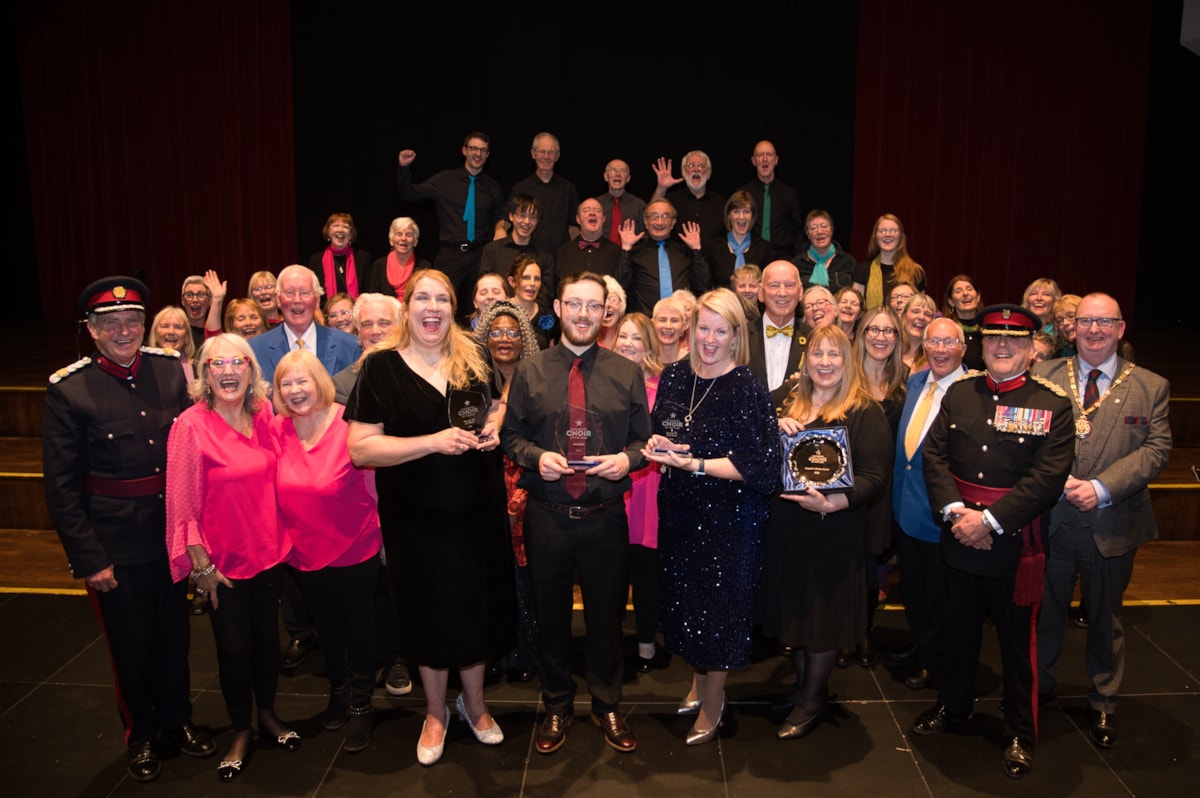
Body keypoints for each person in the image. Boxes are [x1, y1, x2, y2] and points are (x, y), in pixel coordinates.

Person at [43, 276, 214, 783]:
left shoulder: (169, 371)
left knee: (174, 636)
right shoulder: (69, 390)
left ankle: (177, 721)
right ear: (92, 331)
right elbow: (62, 487)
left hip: (169, 536)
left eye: (132, 320)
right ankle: (140, 734)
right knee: (129, 645)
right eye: (110, 322)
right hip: (115, 544)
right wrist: (89, 558)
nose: (124, 330)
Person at [346, 269, 514, 767]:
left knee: (476, 609)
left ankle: (477, 706)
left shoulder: (475, 357)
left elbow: (497, 405)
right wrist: (431, 442)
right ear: (408, 305)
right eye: (424, 297)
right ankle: (436, 712)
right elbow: (360, 448)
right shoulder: (380, 368)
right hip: (416, 521)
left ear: (453, 306)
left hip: (478, 514)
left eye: (443, 297)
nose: (433, 307)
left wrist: (493, 429)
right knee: (428, 614)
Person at [911, 304, 1074, 780]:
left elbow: (1047, 479)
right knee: (957, 632)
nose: (1003, 347)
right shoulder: (961, 393)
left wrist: (990, 522)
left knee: (1016, 647)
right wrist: (956, 514)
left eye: (1014, 341)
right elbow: (935, 457)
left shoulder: (1051, 404)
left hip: (1013, 544)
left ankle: (1019, 731)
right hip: (959, 533)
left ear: (1030, 348)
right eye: (994, 339)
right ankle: (953, 706)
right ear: (981, 345)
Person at [501, 272, 651, 755]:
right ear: (559, 308)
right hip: (547, 517)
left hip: (606, 517)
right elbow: (510, 436)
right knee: (552, 619)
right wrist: (533, 457)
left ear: (604, 311)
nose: (584, 314)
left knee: (607, 619)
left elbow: (643, 442)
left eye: (594, 306)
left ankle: (607, 702)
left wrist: (628, 460)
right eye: (575, 304)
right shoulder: (530, 370)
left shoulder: (626, 372)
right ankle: (558, 704)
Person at [1034, 293, 1171, 750]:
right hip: (1051, 518)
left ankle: (1104, 701)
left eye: (1104, 322)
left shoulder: (1151, 386)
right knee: (1044, 613)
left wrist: (1101, 488)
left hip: (1113, 521)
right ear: (1072, 327)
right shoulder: (1045, 375)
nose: (1094, 330)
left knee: (1105, 619)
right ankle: (1040, 689)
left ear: (1121, 327)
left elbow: (1156, 451)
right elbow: (1027, 434)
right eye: (1085, 321)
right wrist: (1056, 481)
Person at [643, 289, 780, 745]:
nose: (710, 338)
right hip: (680, 508)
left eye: (721, 331)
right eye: (704, 327)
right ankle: (698, 682)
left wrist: (695, 463)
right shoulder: (675, 375)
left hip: (730, 516)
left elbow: (758, 463)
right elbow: (665, 427)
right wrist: (662, 449)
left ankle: (716, 700)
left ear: (736, 335)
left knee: (719, 612)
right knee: (685, 603)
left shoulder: (746, 385)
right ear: (691, 327)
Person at [166, 334, 297, 782]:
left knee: (266, 642)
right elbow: (182, 505)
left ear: (251, 370)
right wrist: (201, 567)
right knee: (233, 648)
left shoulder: (264, 416)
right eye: (215, 363)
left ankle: (268, 715)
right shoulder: (190, 425)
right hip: (221, 565)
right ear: (204, 373)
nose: (227, 371)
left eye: (237, 361)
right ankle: (241, 727)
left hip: (269, 553)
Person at [760, 325, 892, 740]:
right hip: (787, 528)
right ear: (806, 359)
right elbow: (754, 454)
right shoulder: (782, 401)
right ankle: (802, 689)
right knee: (797, 614)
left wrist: (837, 502)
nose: (825, 363)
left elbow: (875, 476)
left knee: (824, 618)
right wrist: (771, 431)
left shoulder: (865, 410)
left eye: (835, 355)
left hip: (833, 528)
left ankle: (812, 701)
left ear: (847, 360)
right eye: (818, 354)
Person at [272, 350, 382, 753]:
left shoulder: (348, 425)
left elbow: (375, 486)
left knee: (358, 627)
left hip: (355, 544)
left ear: (320, 382)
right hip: (304, 550)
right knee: (327, 628)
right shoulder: (277, 429)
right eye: (287, 383)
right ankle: (337, 691)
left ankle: (361, 703)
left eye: (303, 381)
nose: (296, 390)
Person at [328, 292, 412, 698]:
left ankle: (405, 654)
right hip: (362, 500)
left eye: (384, 323)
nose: (376, 331)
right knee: (373, 587)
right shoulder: (342, 384)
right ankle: (381, 658)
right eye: (367, 325)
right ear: (356, 332)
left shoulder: (416, 373)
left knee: (407, 582)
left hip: (414, 495)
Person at [892, 318, 969, 691]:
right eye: (933, 342)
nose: (940, 349)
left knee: (941, 595)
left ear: (963, 348)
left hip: (942, 514)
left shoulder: (973, 392)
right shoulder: (915, 382)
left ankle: (934, 659)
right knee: (915, 589)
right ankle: (922, 642)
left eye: (948, 342)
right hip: (906, 509)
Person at [475, 300, 542, 683]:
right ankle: (497, 651)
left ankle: (527, 652)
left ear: (524, 338)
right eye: (496, 331)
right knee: (492, 570)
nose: (504, 338)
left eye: (513, 332)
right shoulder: (471, 378)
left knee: (528, 573)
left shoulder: (536, 377)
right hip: (484, 487)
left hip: (530, 486)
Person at [846, 306, 910, 667]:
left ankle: (865, 632)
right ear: (861, 334)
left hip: (885, 492)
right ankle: (843, 633)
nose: (881, 337)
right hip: (848, 484)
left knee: (871, 564)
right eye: (873, 329)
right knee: (844, 563)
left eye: (889, 331)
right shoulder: (843, 378)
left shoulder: (906, 385)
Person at [396, 132, 505, 320]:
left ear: (487, 155)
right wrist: (404, 168)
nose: (478, 154)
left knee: (482, 310)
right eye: (473, 149)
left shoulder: (493, 188)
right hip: (450, 255)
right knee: (442, 305)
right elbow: (409, 193)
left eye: (483, 150)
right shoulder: (445, 180)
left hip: (479, 256)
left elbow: (498, 220)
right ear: (464, 151)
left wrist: (500, 229)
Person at [613, 312, 665, 675]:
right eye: (623, 337)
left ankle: (647, 642)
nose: (629, 344)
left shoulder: (664, 388)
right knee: (611, 575)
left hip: (649, 488)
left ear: (648, 344)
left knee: (646, 573)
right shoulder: (601, 381)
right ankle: (609, 641)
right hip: (612, 489)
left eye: (636, 338)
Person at [248, 264, 361, 385]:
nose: (297, 300)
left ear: (317, 301)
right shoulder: (255, 350)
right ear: (279, 300)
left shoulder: (350, 346)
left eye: (304, 293)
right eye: (290, 292)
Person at [618, 198, 710, 315]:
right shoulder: (634, 253)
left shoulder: (685, 252)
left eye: (666, 216)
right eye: (654, 216)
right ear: (646, 222)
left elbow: (703, 286)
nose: (660, 222)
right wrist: (626, 249)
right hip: (646, 324)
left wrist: (696, 250)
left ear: (672, 223)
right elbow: (621, 288)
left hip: (682, 321)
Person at [504, 132, 579, 253]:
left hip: (560, 258)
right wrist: (499, 232)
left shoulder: (568, 189)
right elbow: (506, 221)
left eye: (551, 152)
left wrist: (573, 255)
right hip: (527, 257)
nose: (546, 156)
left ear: (557, 156)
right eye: (542, 152)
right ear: (533, 154)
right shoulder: (520, 189)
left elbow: (574, 227)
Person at [747, 260, 811, 395]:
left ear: (800, 292)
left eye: (789, 285)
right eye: (774, 285)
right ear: (760, 293)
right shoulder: (740, 336)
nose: (782, 293)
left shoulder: (814, 339)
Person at [546, 198, 627, 304]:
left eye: (597, 210)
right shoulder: (561, 253)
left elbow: (624, 287)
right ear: (578, 219)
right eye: (586, 210)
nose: (592, 213)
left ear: (603, 219)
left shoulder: (617, 252)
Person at [739, 140, 804, 258]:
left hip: (783, 258)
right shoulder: (743, 194)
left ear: (776, 160)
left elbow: (798, 232)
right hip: (750, 258)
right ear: (754, 161)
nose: (765, 159)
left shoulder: (790, 194)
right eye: (760, 155)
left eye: (769, 155)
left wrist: (798, 261)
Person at [853, 214, 926, 310]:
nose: (887, 235)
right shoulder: (862, 270)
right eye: (882, 231)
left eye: (893, 231)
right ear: (875, 236)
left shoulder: (916, 271)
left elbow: (921, 308)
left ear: (901, 236)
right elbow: (857, 308)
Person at [651, 151, 726, 242]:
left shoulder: (722, 203)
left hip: (711, 256)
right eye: (690, 165)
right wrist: (661, 188)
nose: (696, 169)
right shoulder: (671, 199)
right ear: (683, 172)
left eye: (701, 166)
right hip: (677, 255)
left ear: (708, 174)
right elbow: (651, 214)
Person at [703, 190, 772, 290]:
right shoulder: (713, 248)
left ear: (752, 216)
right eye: (736, 211)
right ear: (729, 215)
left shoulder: (764, 249)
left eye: (746, 211)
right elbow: (706, 286)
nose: (741, 217)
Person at [479, 194, 554, 280]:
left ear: (537, 221)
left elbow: (546, 292)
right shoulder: (492, 250)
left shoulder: (545, 256)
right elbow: (485, 285)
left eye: (532, 217)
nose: (527, 222)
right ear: (511, 216)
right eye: (522, 216)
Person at [365, 216, 432, 300]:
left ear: (415, 241)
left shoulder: (424, 266)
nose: (403, 238)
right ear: (391, 240)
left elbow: (426, 297)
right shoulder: (380, 264)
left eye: (408, 235)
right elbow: (373, 298)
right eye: (399, 234)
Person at [307, 213, 370, 298]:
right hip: (325, 310)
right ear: (328, 232)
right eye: (336, 225)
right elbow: (314, 293)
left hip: (356, 309)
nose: (340, 229)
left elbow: (368, 292)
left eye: (346, 226)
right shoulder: (316, 260)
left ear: (351, 234)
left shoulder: (362, 257)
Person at [796, 210, 856, 290]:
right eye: (814, 228)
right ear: (808, 234)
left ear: (831, 231)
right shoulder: (797, 264)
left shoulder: (847, 261)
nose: (820, 231)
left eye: (824, 226)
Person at [506, 253, 557, 346]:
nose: (533, 283)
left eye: (537, 279)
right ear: (512, 281)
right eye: (526, 278)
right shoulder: (501, 311)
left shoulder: (547, 314)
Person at [597, 158, 646, 244]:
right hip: (602, 253)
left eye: (622, 171)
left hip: (632, 253)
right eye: (613, 170)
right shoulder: (596, 205)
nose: (618, 174)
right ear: (605, 176)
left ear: (628, 178)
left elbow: (645, 235)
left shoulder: (639, 205)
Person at [942, 274, 984, 370]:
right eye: (958, 291)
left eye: (969, 289)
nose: (965, 294)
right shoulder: (946, 330)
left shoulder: (988, 329)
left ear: (977, 297)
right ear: (951, 301)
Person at [900, 293, 938, 370]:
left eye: (928, 314)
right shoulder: (889, 350)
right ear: (904, 316)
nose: (921, 317)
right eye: (916, 311)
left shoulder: (936, 356)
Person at [652, 294, 691, 365]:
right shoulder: (645, 361)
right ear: (652, 324)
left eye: (674, 320)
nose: (668, 326)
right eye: (662, 320)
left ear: (684, 326)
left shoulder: (694, 362)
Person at [181, 275, 211, 349]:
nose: (195, 300)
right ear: (182, 300)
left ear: (209, 301)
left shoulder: (217, 333)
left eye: (201, 295)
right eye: (189, 295)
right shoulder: (177, 333)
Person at [597, 275, 626, 349]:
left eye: (612, 300)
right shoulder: (585, 341)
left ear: (621, 306)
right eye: (602, 300)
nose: (607, 305)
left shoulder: (628, 341)